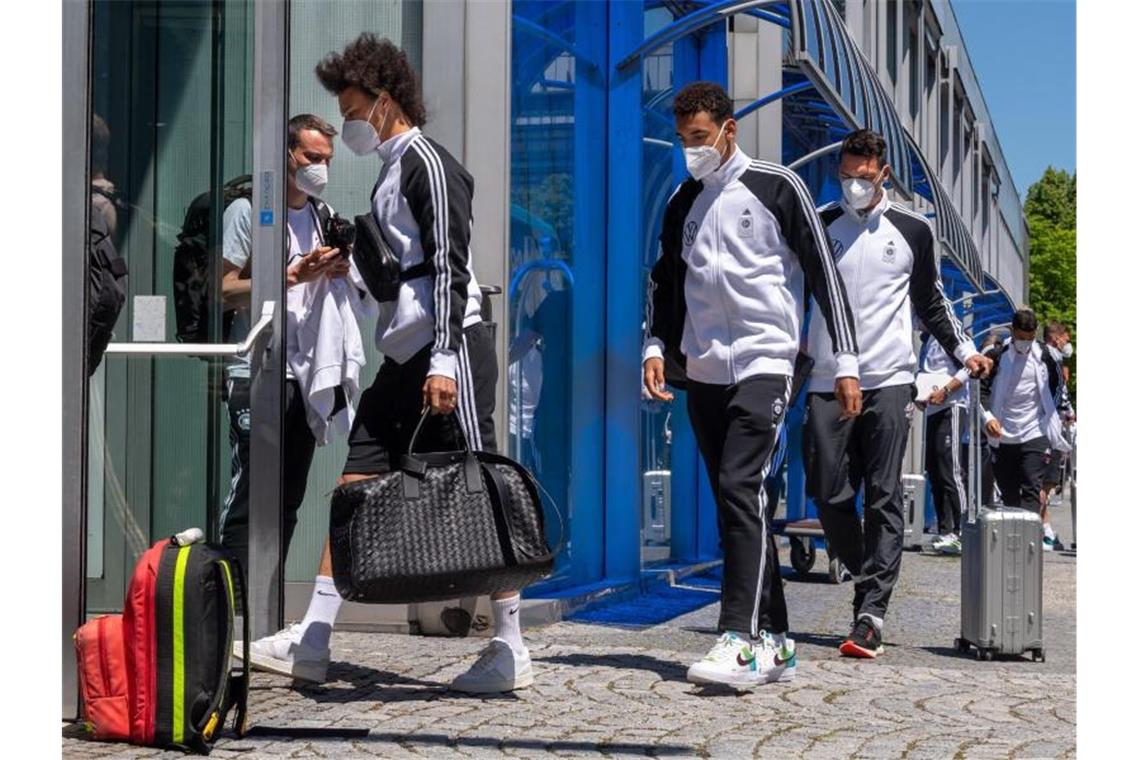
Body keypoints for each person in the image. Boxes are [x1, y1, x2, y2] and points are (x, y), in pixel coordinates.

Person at [248, 34, 529, 694]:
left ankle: (511, 646)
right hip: (406, 353)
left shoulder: (427, 164)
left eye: (350, 111)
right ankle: (314, 638)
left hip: (447, 351)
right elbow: (407, 271)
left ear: (382, 102)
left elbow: (453, 270)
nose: (347, 125)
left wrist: (443, 363)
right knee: (354, 482)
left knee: (482, 482)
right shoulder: (391, 170)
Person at [643, 82, 862, 688]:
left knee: (742, 488)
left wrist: (845, 360)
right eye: (683, 139)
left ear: (728, 130)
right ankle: (780, 641)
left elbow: (823, 275)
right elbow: (665, 281)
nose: (691, 149)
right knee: (737, 501)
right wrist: (656, 345)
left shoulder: (777, 186)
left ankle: (737, 637)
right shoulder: (681, 201)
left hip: (767, 362)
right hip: (707, 368)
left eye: (699, 138)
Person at [802, 128, 991, 659]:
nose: (853, 185)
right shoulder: (820, 224)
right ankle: (864, 567)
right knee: (827, 486)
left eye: (863, 177)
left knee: (883, 494)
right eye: (846, 175)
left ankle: (871, 614)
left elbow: (931, 300)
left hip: (888, 378)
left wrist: (963, 351)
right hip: (826, 378)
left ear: (882, 173)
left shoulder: (913, 228)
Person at [218, 113, 367, 637]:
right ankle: (226, 618)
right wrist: (290, 274)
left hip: (303, 374)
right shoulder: (250, 212)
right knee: (250, 498)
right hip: (256, 367)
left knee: (288, 501)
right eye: (311, 158)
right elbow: (226, 289)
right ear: (285, 155)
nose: (320, 168)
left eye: (327, 159)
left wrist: (337, 270)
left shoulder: (323, 215)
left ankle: (263, 614)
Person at [983, 309, 1072, 550]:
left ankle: (1028, 544)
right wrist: (988, 417)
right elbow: (980, 389)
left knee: (1032, 487)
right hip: (1003, 434)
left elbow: (1057, 387)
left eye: (1030, 338)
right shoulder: (997, 355)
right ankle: (1013, 542)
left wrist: (1049, 416)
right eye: (1021, 337)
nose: (1025, 343)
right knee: (1009, 492)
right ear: (1013, 331)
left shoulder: (1046, 355)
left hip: (1035, 432)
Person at [917, 329, 970, 555]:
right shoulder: (927, 340)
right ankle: (945, 528)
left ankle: (963, 531)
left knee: (951, 470)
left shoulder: (952, 334)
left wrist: (946, 391)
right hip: (933, 411)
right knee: (936, 471)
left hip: (952, 408)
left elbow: (969, 366)